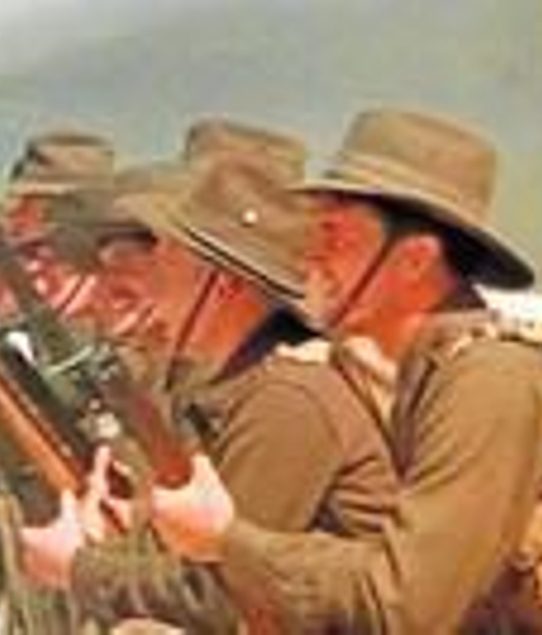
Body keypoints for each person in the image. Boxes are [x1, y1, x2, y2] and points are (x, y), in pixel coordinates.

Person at [147, 108, 542, 631]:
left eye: (336, 236)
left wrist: (228, 541)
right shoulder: (428, 376)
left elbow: (404, 607)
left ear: (414, 260)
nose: (310, 257)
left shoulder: (488, 380)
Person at [21, 153, 398, 632]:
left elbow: (218, 595)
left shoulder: (285, 398)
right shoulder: (243, 386)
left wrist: (79, 569)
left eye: (171, 254)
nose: (155, 272)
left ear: (222, 285)